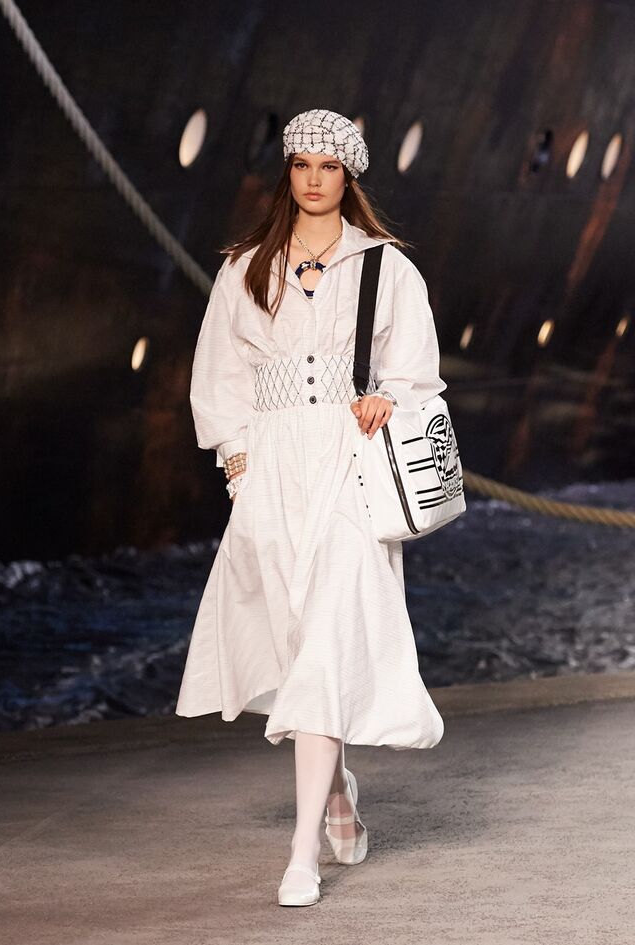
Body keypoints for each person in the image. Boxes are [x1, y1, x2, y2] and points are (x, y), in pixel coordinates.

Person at [175, 108, 447, 907]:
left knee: (327, 639)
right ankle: (336, 795)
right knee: (298, 646)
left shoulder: (386, 267)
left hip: (350, 467)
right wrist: (239, 469)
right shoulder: (244, 267)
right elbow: (219, 375)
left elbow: (417, 373)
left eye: (329, 167)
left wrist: (386, 398)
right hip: (270, 472)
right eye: (302, 165)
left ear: (348, 175)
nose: (315, 179)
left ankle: (301, 855)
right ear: (288, 172)